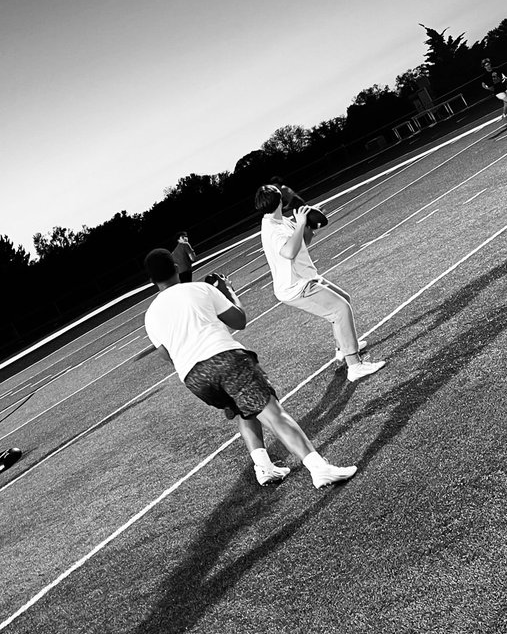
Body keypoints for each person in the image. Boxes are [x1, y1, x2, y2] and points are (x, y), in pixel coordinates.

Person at [143, 248, 357, 489]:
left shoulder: (150, 316)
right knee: (274, 414)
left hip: (195, 379)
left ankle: (264, 467)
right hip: (225, 359)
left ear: (151, 281)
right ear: (175, 267)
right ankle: (320, 469)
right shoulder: (200, 289)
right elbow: (239, 320)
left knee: (244, 410)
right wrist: (228, 291)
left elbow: (168, 356)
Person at [255, 184, 385, 383]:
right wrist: (299, 224)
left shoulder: (281, 221)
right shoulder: (272, 229)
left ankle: (343, 348)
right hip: (295, 287)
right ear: (280, 201)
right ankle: (355, 365)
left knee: (343, 299)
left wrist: (308, 225)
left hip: (306, 277)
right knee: (340, 309)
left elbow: (302, 244)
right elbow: (289, 252)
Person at [480, 58, 507, 127]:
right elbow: (483, 85)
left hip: (503, 88)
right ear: (484, 67)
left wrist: (505, 78)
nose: (488, 66)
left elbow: (503, 75)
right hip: (497, 91)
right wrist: (488, 88)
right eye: (486, 65)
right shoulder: (485, 76)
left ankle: (504, 117)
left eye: (488, 64)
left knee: (506, 105)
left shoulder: (496, 69)